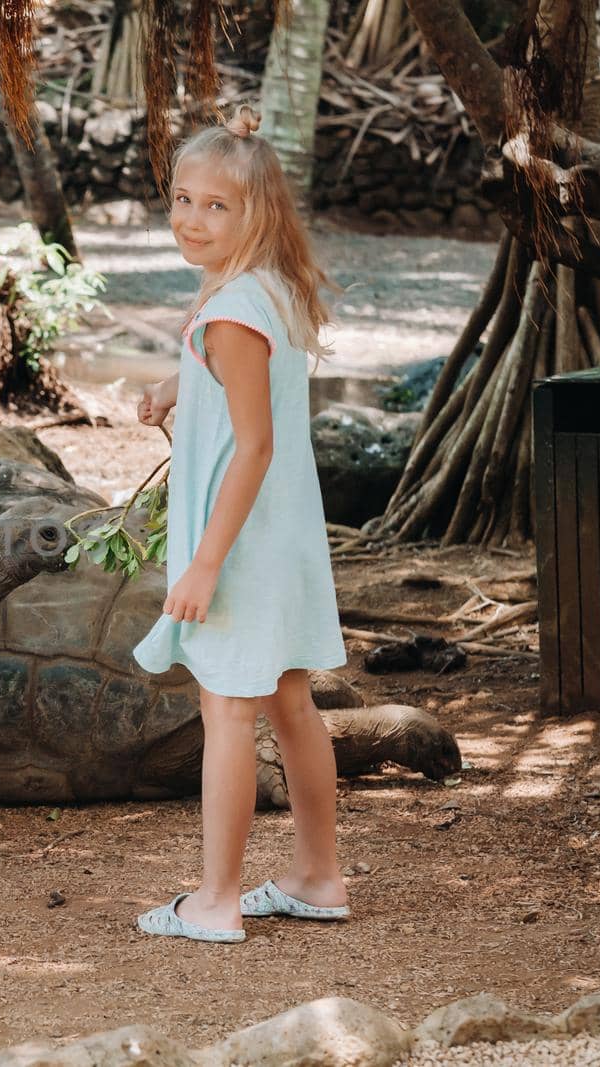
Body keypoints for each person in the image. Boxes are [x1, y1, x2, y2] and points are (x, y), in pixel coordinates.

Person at [130, 105, 351, 944]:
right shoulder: (265, 291)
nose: (190, 218)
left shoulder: (231, 311)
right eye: (182, 199)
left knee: (228, 714)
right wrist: (175, 384)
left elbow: (252, 447)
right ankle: (318, 875)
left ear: (255, 213)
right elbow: (238, 378)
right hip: (285, 542)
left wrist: (203, 564)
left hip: (243, 546)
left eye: (215, 206)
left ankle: (215, 900)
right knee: (291, 701)